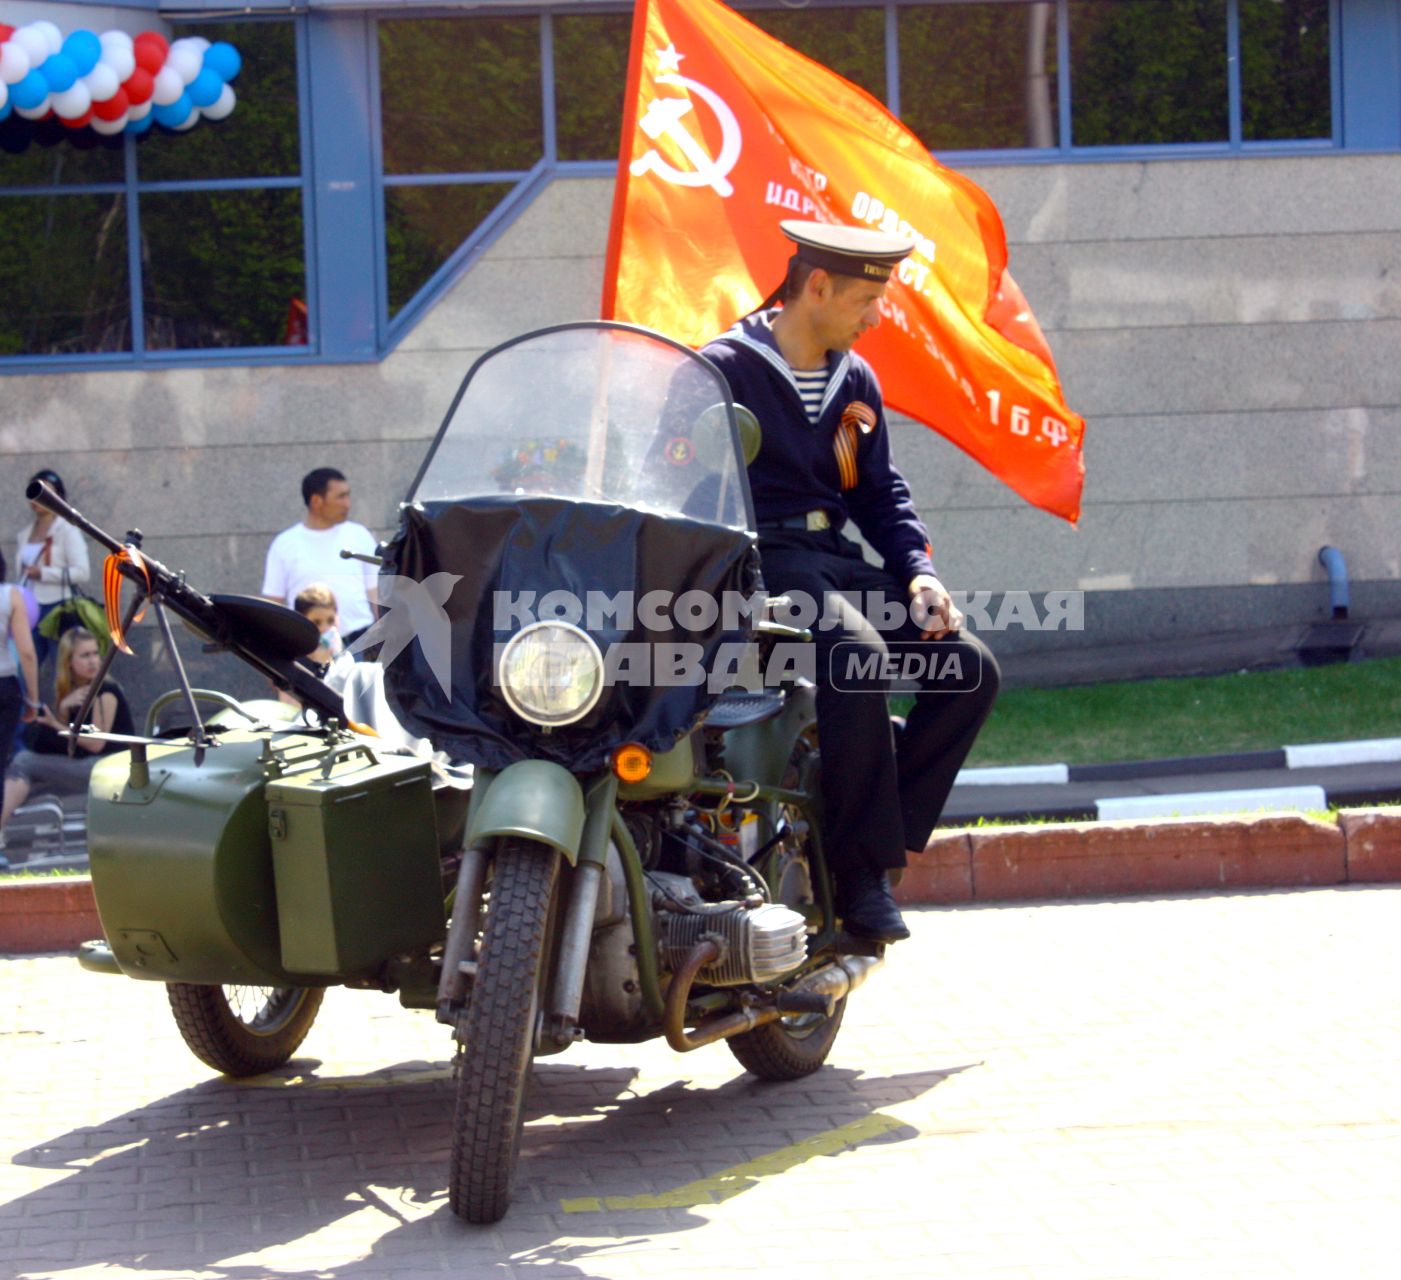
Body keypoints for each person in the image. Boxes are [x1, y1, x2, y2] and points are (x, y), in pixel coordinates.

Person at [700, 220, 1001, 943]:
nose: (875, 318)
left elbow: (878, 495)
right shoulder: (720, 369)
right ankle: (857, 872)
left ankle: (868, 825)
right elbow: (678, 483)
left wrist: (919, 577)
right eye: (866, 300)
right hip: (757, 566)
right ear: (816, 286)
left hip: (833, 561)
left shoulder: (855, 379)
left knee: (969, 670)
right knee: (854, 650)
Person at [1, 627, 134, 861]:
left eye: (95, 653)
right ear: (69, 662)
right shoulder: (73, 692)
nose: (93, 661)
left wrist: (55, 722)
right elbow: (64, 744)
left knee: (23, 763)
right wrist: (63, 709)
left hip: (105, 767)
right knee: (24, 771)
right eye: (85, 655)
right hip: (84, 765)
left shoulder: (106, 691)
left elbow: (96, 744)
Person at [262, 468, 379, 647]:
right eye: (340, 497)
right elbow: (273, 606)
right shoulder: (285, 544)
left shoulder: (359, 535)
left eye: (348, 496)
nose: (347, 504)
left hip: (362, 641)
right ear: (316, 501)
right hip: (308, 644)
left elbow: (377, 593)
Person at [16, 469, 91, 666]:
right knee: (24, 665)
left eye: (46, 492)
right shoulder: (24, 534)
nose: (38, 499)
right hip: (29, 609)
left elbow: (82, 572)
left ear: (57, 497)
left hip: (59, 609)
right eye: (34, 492)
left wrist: (43, 573)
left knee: (64, 666)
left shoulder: (67, 530)